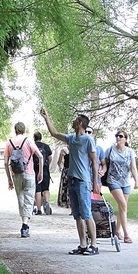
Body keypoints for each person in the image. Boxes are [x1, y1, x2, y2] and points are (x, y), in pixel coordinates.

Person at [40, 107, 100, 255]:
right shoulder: (71, 139)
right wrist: (46, 117)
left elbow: (94, 161)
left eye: (75, 120)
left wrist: (95, 183)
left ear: (79, 123)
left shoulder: (88, 140)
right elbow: (54, 133)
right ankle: (82, 244)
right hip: (72, 181)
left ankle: (94, 244)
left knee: (86, 214)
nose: (73, 122)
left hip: (83, 181)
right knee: (77, 215)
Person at [4, 122, 43, 238]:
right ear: (24, 130)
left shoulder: (9, 143)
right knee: (29, 198)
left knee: (20, 198)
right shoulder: (28, 141)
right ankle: (25, 225)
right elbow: (40, 156)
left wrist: (9, 179)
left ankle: (23, 222)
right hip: (29, 173)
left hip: (16, 175)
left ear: (15, 130)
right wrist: (40, 172)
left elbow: (6, 162)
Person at [102, 128, 138, 243]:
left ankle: (117, 231)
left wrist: (136, 181)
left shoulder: (130, 152)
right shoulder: (110, 150)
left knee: (122, 207)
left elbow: (133, 167)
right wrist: (101, 171)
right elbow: (104, 163)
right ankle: (127, 234)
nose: (118, 138)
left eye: (121, 136)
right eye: (117, 136)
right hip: (113, 180)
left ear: (125, 139)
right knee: (123, 205)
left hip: (126, 182)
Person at [32, 131, 53, 215]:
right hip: (45, 170)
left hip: (35, 170)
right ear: (41, 138)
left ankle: (39, 209)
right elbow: (50, 158)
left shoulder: (33, 146)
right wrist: (46, 165)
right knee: (46, 189)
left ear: (34, 138)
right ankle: (47, 202)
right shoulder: (46, 146)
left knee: (38, 190)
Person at [56, 144, 70, 209]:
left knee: (65, 186)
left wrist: (60, 167)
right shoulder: (76, 149)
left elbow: (59, 162)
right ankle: (71, 203)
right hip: (74, 170)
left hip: (66, 170)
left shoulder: (64, 150)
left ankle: (65, 202)